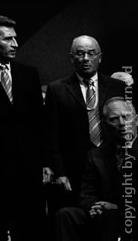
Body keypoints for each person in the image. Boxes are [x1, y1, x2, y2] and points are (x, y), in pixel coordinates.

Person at [0, 14, 46, 241]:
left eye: (15, 38)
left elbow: (39, 122)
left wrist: (44, 163)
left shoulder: (29, 74)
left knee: (30, 229)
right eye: (8, 39)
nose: (15, 44)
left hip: (28, 169)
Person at [45, 35, 129, 209]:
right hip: (74, 168)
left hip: (111, 166)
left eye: (91, 53)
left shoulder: (117, 86)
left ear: (100, 57)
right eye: (80, 53)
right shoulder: (57, 89)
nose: (85, 59)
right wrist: (60, 172)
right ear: (71, 58)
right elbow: (52, 135)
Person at [54, 97, 135, 241]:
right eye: (114, 119)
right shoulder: (96, 155)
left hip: (128, 212)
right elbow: (86, 193)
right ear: (104, 125)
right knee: (66, 215)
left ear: (136, 119)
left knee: (109, 218)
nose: (122, 124)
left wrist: (116, 207)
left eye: (126, 117)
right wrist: (96, 207)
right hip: (102, 213)